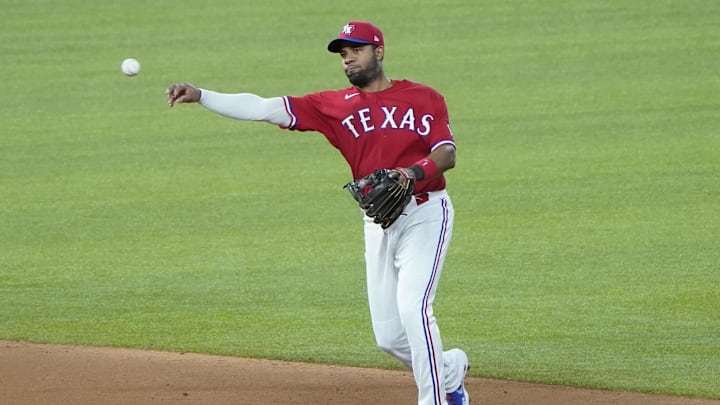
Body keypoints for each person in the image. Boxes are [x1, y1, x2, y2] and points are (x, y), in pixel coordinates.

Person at [166, 20, 470, 405]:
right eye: (343, 54)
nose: (348, 59)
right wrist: (202, 94)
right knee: (389, 337)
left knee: (414, 309)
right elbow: (262, 107)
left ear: (379, 51)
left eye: (356, 50)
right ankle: (449, 372)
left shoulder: (424, 98)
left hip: (426, 214)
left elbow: (447, 153)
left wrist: (412, 173)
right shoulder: (333, 106)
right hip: (379, 222)